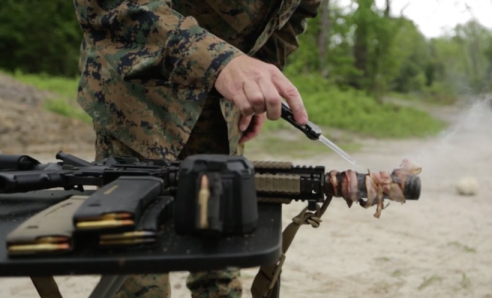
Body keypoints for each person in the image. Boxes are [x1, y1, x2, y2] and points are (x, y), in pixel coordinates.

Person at [72, 0, 322, 297]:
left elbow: (295, 14)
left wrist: (260, 79)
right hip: (138, 94)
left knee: (220, 252)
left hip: (221, 106)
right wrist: (219, 61)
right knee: (137, 265)